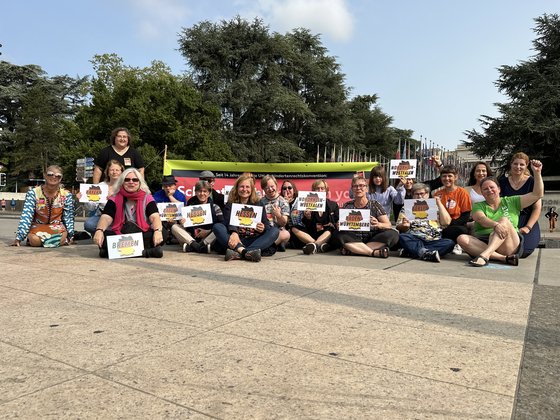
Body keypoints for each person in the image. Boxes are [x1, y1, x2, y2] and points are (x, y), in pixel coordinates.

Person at [457, 159, 544, 267]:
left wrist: (537, 173)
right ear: (482, 193)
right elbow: (481, 219)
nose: (489, 190)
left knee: (504, 220)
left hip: (509, 242)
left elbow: (537, 194)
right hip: (484, 241)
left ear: (498, 189)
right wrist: (495, 225)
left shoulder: (512, 201)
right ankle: (503, 258)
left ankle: (484, 256)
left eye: (492, 187)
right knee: (461, 238)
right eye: (485, 189)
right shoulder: (478, 205)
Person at [93, 168, 165, 258]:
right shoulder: (114, 198)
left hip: (141, 233)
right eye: (127, 180)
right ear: (122, 182)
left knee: (163, 233)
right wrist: (99, 230)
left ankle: (111, 252)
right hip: (121, 234)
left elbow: (154, 217)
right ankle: (147, 252)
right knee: (103, 235)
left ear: (140, 182)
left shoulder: (147, 197)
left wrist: (157, 231)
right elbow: (106, 217)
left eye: (135, 180)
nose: (131, 182)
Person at [212, 174, 279, 262]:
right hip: (235, 240)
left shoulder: (258, 203)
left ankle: (240, 252)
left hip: (253, 240)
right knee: (217, 227)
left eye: (247, 187)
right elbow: (226, 222)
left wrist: (262, 228)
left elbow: (266, 224)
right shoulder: (230, 204)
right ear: (237, 188)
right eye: (242, 187)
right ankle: (246, 252)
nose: (244, 189)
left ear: (251, 189)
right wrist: (234, 232)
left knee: (274, 231)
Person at [335, 175, 399, 257]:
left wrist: (378, 224)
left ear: (366, 189)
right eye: (355, 186)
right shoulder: (347, 206)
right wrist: (339, 225)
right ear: (352, 189)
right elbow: (341, 224)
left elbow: (388, 225)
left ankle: (354, 250)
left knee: (393, 234)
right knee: (338, 234)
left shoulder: (374, 205)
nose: (358, 188)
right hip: (353, 238)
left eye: (361, 186)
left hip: (372, 239)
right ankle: (372, 252)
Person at [12, 165, 74, 247]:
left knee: (58, 239)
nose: (54, 177)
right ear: (44, 175)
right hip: (37, 226)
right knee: (35, 241)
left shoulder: (66, 195)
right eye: (50, 174)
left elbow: (68, 217)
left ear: (61, 178)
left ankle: (53, 240)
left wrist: (71, 236)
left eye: (58, 176)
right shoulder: (33, 193)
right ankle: (38, 240)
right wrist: (19, 237)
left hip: (57, 227)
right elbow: (27, 215)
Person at [396, 183, 455, 262]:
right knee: (403, 237)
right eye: (416, 194)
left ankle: (414, 251)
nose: (419, 196)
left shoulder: (436, 206)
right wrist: (404, 226)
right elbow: (398, 226)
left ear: (427, 194)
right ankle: (426, 253)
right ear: (412, 195)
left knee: (449, 243)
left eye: (422, 194)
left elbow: (447, 222)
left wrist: (439, 203)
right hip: (415, 239)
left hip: (434, 240)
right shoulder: (406, 207)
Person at [498, 152, 541, 257]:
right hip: (508, 218)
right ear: (511, 164)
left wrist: (528, 227)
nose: (518, 167)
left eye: (522, 164)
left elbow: (537, 208)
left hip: (526, 219)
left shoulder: (532, 181)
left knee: (524, 251)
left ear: (526, 166)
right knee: (511, 249)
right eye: (515, 164)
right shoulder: (502, 182)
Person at [172, 180, 223, 253]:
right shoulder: (189, 207)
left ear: (209, 193)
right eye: (199, 191)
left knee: (221, 229)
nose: (202, 194)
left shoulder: (215, 207)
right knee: (174, 227)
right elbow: (185, 226)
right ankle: (198, 247)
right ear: (195, 192)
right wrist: (182, 222)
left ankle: (195, 246)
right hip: (192, 237)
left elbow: (221, 224)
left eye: (205, 191)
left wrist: (208, 231)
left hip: (208, 237)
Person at [292, 179, 339, 254]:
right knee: (294, 228)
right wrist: (308, 217)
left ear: (326, 191)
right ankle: (317, 245)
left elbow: (337, 220)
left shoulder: (333, 205)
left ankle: (314, 245)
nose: (319, 190)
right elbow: (305, 223)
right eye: (317, 188)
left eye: (322, 188)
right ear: (313, 191)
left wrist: (337, 223)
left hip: (326, 233)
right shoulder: (308, 203)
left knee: (331, 228)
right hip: (311, 233)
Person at [432, 165, 472, 254]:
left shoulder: (463, 193)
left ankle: (458, 244)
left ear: (455, 177)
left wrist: (449, 224)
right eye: (444, 176)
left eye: (450, 176)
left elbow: (465, 216)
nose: (447, 179)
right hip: (441, 225)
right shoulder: (438, 194)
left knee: (460, 230)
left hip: (456, 224)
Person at [82, 160, 124, 235]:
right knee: (89, 224)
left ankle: (107, 231)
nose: (114, 172)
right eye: (112, 170)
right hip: (102, 216)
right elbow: (91, 208)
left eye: (117, 170)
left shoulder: (126, 185)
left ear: (121, 172)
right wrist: (86, 199)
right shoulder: (101, 186)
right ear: (107, 172)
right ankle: (106, 231)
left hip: (121, 216)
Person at [259, 175, 291, 252]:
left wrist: (278, 215)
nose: (270, 189)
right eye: (267, 188)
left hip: (277, 232)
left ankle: (266, 247)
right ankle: (273, 246)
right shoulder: (260, 202)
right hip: (263, 231)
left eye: (272, 186)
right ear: (263, 189)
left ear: (276, 185)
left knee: (286, 234)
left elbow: (283, 223)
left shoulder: (283, 202)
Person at [153, 175, 187, 243]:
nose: (168, 188)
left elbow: (182, 208)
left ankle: (172, 237)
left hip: (176, 220)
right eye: (165, 186)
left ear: (175, 186)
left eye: (170, 185)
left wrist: (170, 196)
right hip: (161, 219)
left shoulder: (180, 195)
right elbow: (153, 207)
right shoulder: (158, 194)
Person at [280, 180, 303, 249]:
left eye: (289, 188)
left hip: (298, 229)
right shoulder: (279, 201)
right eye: (284, 188)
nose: (287, 190)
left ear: (294, 190)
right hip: (284, 229)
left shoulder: (299, 201)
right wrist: (284, 204)